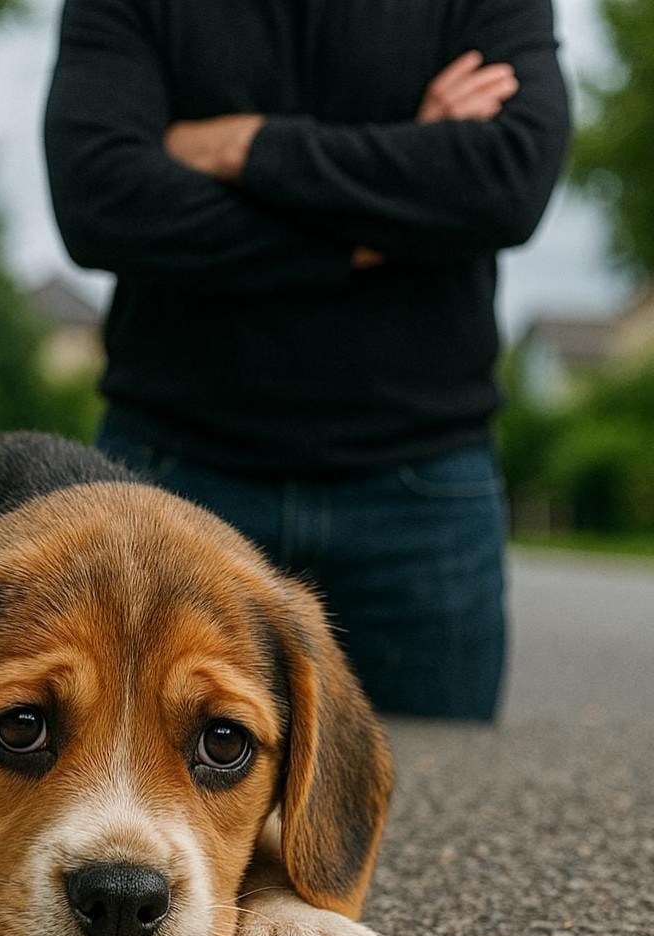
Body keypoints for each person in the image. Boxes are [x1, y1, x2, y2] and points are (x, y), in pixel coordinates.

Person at [44, 0, 570, 720]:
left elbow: (508, 178)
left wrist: (245, 146)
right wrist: (383, 211)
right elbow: (99, 198)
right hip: (174, 471)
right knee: (141, 806)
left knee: (442, 805)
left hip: (420, 492)